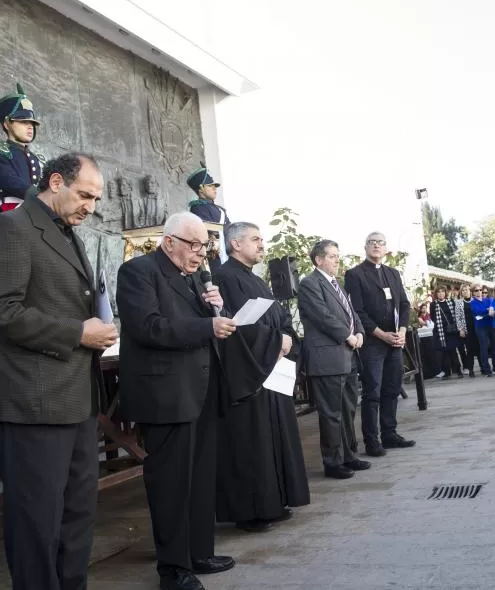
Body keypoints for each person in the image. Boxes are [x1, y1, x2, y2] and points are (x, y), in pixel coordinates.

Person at [0, 152, 117, 590]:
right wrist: (78, 333)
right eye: (85, 195)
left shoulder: (68, 231)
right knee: (36, 525)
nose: (90, 207)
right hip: (33, 402)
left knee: (77, 517)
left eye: (95, 199)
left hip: (77, 399)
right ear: (56, 181)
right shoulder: (10, 227)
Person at [116, 211, 237, 590]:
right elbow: (148, 326)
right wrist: (206, 325)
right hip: (166, 397)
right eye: (195, 245)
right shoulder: (139, 273)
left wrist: (215, 307)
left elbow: (211, 328)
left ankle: (200, 552)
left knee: (201, 479)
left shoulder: (195, 280)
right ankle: (173, 568)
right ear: (170, 242)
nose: (202, 253)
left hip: (201, 392)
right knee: (171, 484)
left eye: (205, 245)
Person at [213, 222, 310, 530]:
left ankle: (275, 500)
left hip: (272, 368)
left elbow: (278, 317)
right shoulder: (223, 278)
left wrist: (286, 336)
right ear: (235, 245)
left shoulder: (257, 281)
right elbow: (234, 327)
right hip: (249, 375)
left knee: (275, 440)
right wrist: (273, 341)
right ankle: (251, 511)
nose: (261, 244)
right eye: (255, 239)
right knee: (250, 443)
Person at [297, 239, 369, 480]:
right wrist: (348, 336)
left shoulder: (336, 284)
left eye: (338, 256)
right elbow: (322, 316)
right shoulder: (309, 283)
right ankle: (333, 462)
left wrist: (359, 332)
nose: (337, 260)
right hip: (327, 357)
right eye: (332, 256)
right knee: (331, 413)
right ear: (319, 260)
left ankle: (349, 456)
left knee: (348, 409)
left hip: (348, 356)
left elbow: (351, 313)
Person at [343, 232, 416, 456]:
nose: (376, 246)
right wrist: (381, 334)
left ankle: (390, 434)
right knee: (372, 391)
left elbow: (404, 305)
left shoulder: (393, 273)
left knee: (392, 388)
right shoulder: (355, 274)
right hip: (373, 341)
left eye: (380, 243)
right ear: (365, 247)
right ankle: (372, 440)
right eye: (372, 242)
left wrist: (401, 331)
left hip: (395, 339)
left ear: (386, 249)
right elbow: (357, 311)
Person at [0, 83, 44, 213]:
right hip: (11, 214)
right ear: (6, 124)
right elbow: (9, 181)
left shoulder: (36, 158)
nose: (30, 127)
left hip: (37, 213)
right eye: (23, 122)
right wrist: (41, 196)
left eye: (32, 123)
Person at [186, 167, 231, 265]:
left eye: (214, 186)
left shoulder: (220, 209)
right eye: (210, 186)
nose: (214, 188)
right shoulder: (198, 208)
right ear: (201, 189)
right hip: (214, 258)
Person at [429, 285, 466, 378]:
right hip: (440, 332)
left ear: (445, 293)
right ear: (436, 294)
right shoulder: (433, 304)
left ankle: (458, 371)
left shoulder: (451, 302)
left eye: (442, 291)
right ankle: (447, 372)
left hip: (451, 331)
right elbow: (433, 318)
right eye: (439, 292)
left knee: (453, 351)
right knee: (444, 352)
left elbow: (455, 315)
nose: (441, 294)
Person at [468, 284, 495, 376]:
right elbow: (478, 311)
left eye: (480, 290)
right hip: (480, 327)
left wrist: (489, 311)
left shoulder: (488, 300)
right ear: (473, 292)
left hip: (490, 325)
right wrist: (489, 310)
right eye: (476, 290)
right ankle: (486, 369)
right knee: (484, 347)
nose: (479, 292)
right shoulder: (472, 303)